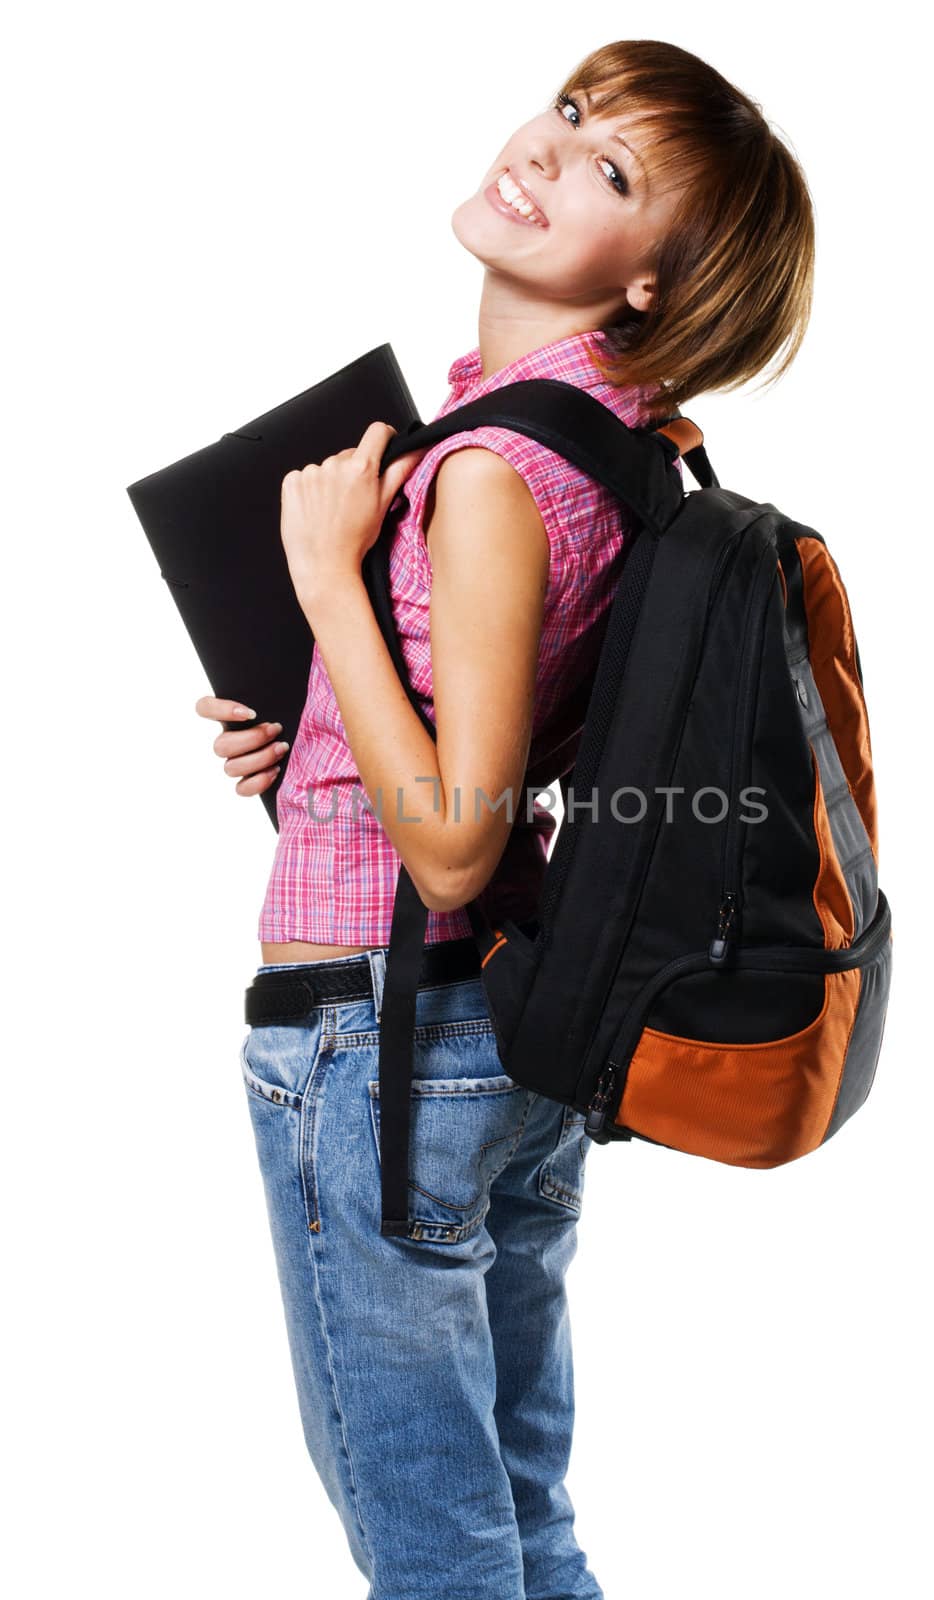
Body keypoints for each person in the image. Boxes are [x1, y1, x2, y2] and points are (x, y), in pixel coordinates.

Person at [196, 38, 814, 1600]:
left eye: (611, 172)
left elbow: (460, 840)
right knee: (519, 1514)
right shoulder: (614, 448)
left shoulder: (485, 472)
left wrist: (327, 583)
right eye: (576, 110)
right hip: (503, 1042)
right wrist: (320, 738)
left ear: (657, 282)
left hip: (380, 1043)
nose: (550, 148)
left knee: (431, 1538)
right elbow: (512, 731)